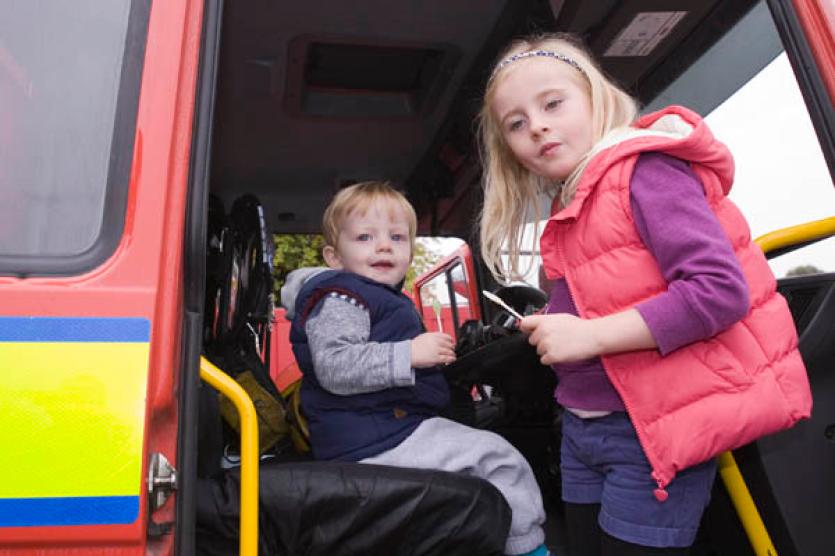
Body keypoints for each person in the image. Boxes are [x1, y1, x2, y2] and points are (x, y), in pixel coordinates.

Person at [477, 33, 812, 556]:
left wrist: (587, 335)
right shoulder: (572, 209)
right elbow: (612, 293)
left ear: (597, 100)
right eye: (516, 123)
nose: (536, 125)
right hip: (584, 427)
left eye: (553, 103)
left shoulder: (644, 172)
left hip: (649, 435)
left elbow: (719, 292)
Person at [281, 181, 550, 556]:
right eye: (364, 237)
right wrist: (408, 354)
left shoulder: (375, 298)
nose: (384, 246)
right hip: (373, 438)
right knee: (500, 459)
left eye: (397, 236)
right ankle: (527, 551)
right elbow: (335, 367)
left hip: (384, 426)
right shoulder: (341, 297)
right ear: (334, 256)